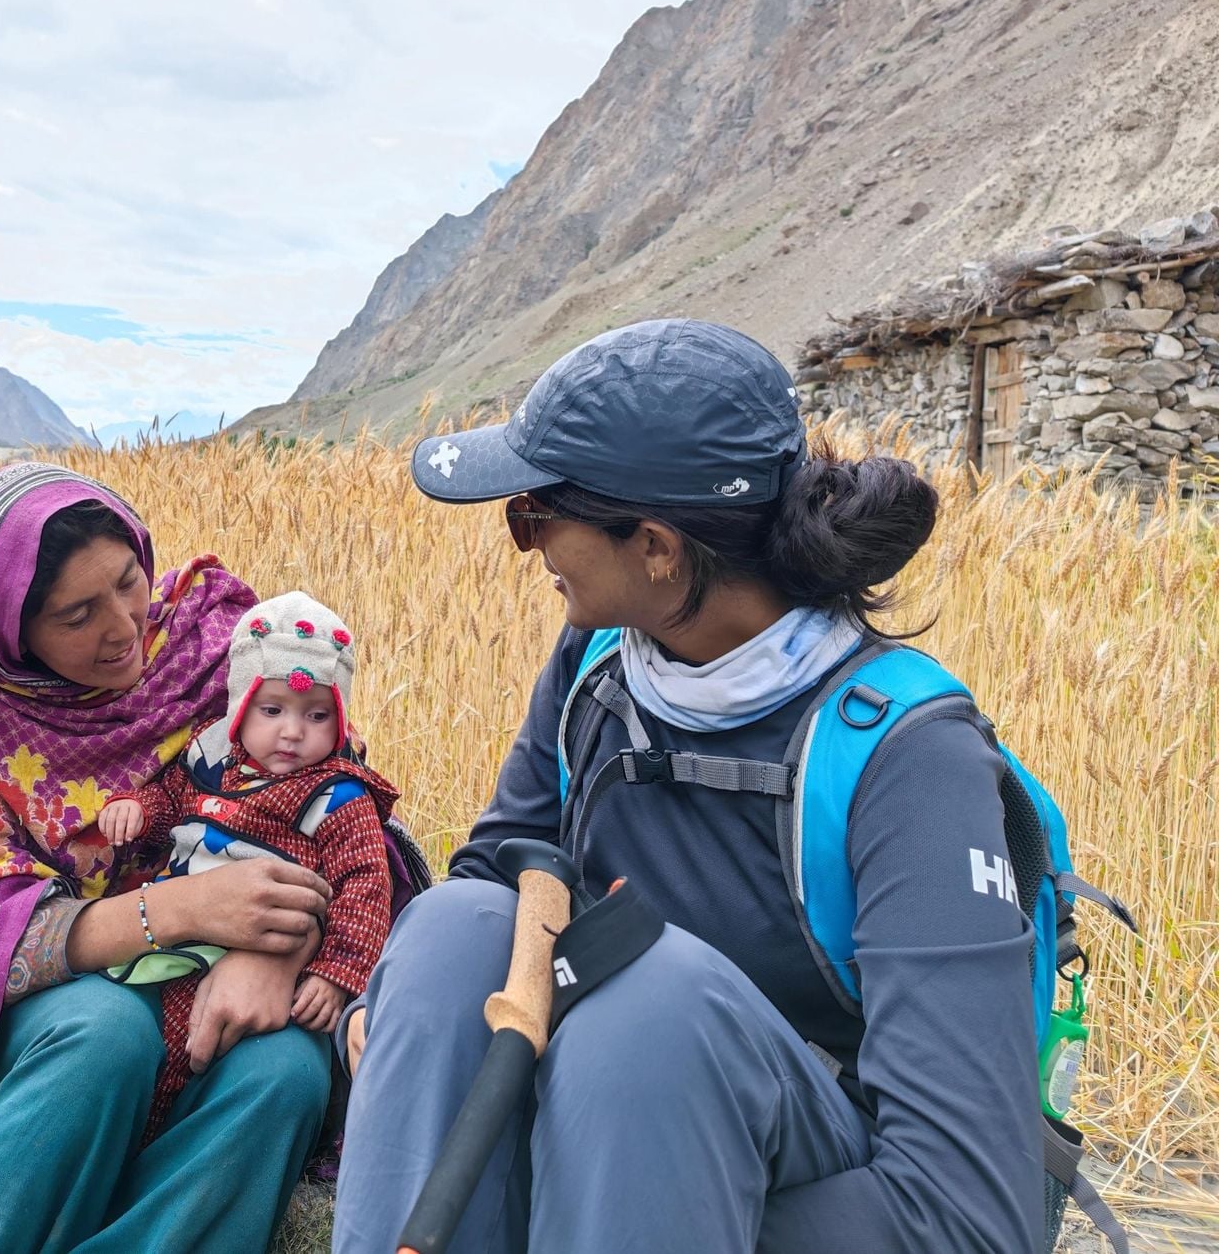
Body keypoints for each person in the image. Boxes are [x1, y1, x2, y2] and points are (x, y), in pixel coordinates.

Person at [332, 319, 1043, 1254]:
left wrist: (650, 1208)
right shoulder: (600, 664)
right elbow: (501, 871)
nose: (526, 545)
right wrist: (378, 1018)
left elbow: (967, 1216)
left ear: (658, 547)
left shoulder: (908, 761)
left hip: (774, 1169)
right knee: (449, 931)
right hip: (598, 1119)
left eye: (534, 515)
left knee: (648, 1014)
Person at [0, 463, 336, 1254]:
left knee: (285, 1074)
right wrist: (179, 911)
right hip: (77, 980)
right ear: (14, 636)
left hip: (231, 954)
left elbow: (328, 804)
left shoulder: (218, 637)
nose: (123, 625)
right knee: (108, 1039)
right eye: (77, 614)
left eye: (129, 580)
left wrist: (282, 948)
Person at [98, 590, 399, 1140]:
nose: (292, 731)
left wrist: (337, 976)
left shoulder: (332, 793)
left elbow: (365, 887)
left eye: (317, 715)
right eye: (272, 709)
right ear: (240, 704)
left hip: (255, 944)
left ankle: (155, 1132)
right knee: (124, 1024)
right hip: (180, 922)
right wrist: (137, 808)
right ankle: (126, 1125)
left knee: (188, 1041)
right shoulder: (211, 757)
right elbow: (169, 799)